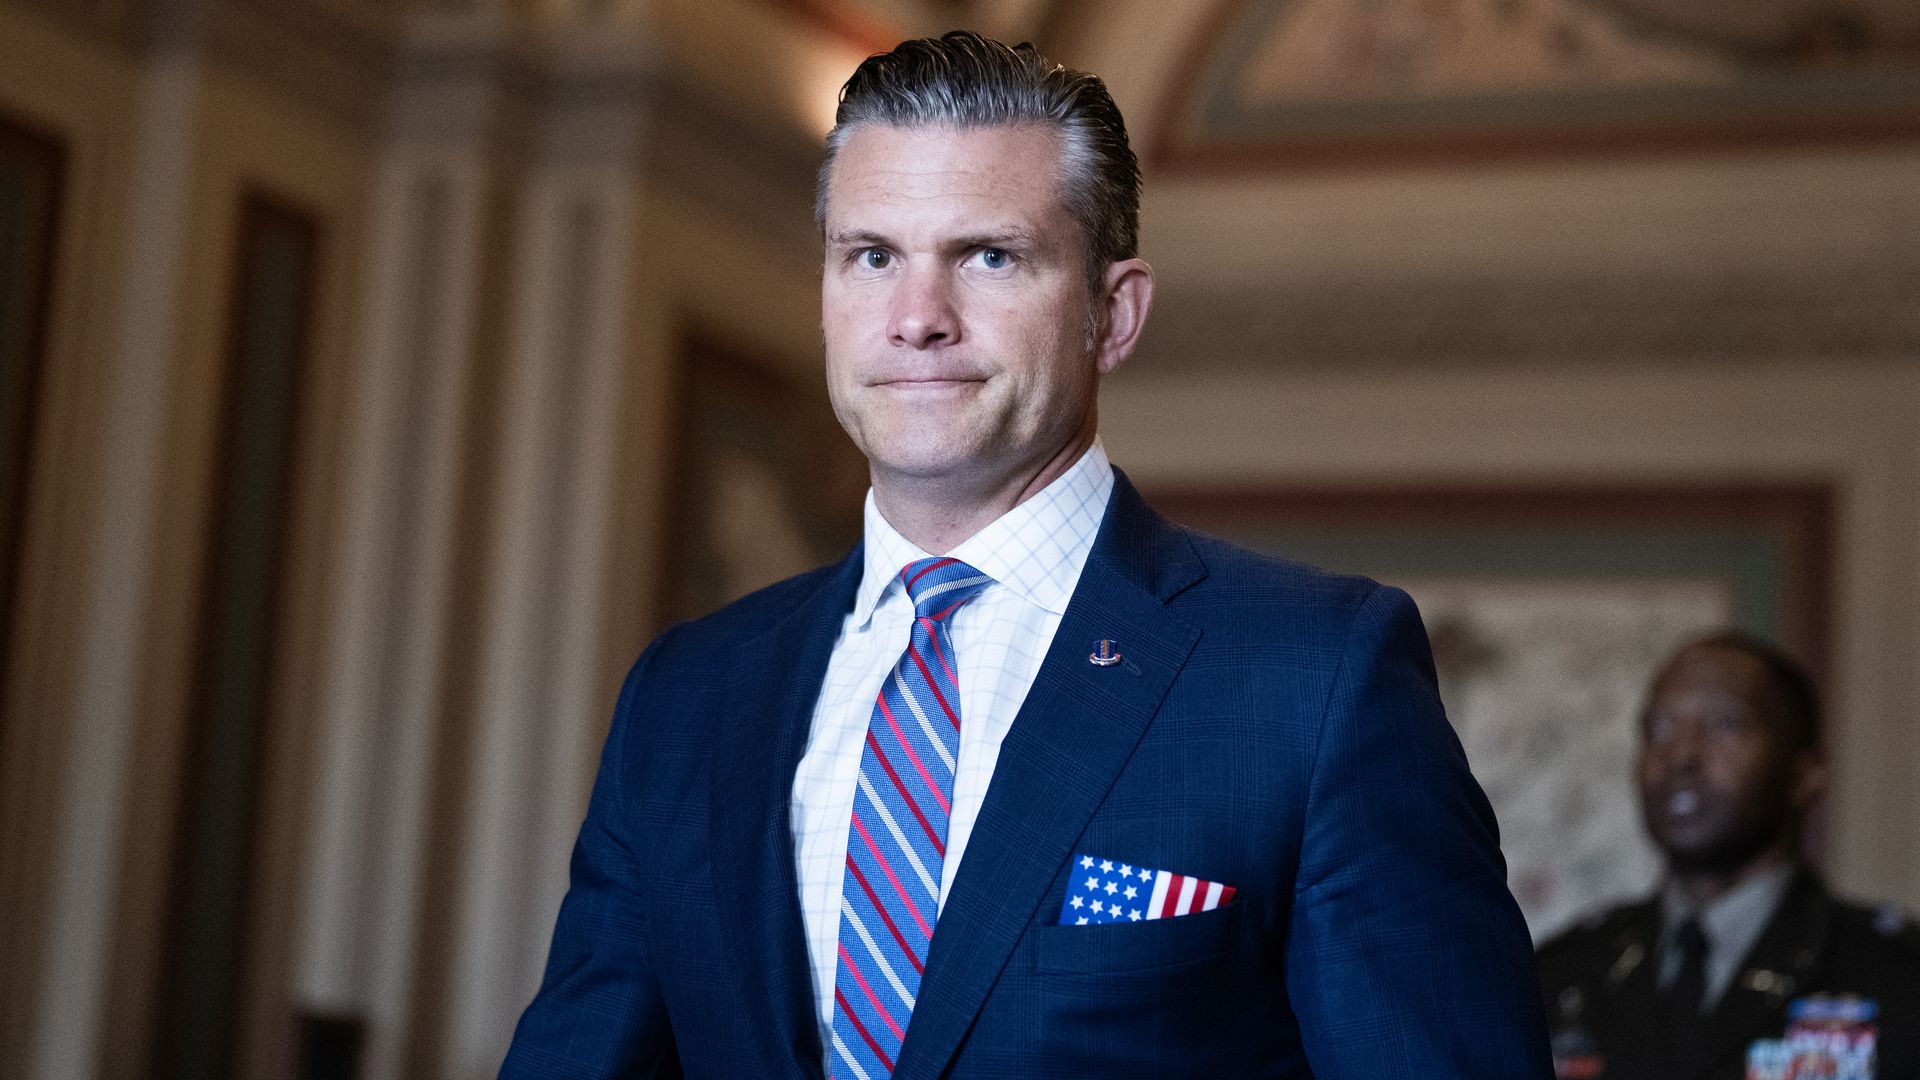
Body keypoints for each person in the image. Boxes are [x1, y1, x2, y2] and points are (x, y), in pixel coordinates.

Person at [502, 31, 1549, 1079]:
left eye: (989, 257)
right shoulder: (688, 698)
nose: (917, 320)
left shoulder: (1314, 679)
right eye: (871, 256)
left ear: (1114, 312)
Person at [1536, 632, 1920, 1080]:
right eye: (1658, 729)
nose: (1680, 754)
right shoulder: (1564, 974)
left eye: (1724, 724)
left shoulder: (1897, 977)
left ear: (1804, 773)